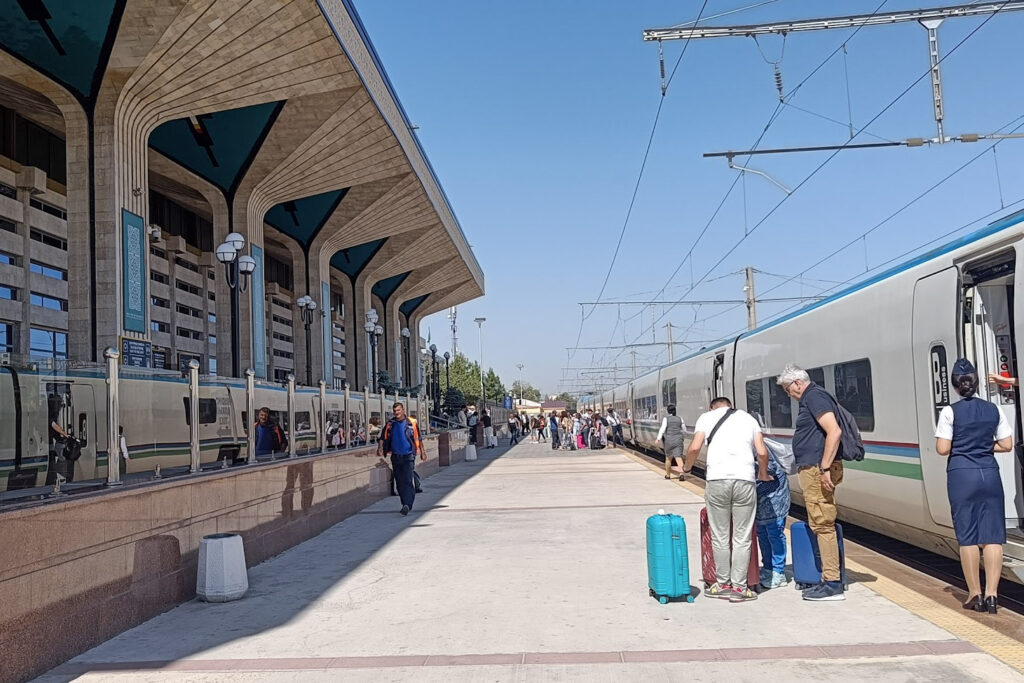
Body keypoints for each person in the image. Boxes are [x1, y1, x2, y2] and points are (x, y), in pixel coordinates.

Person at [936, 358, 1014, 614]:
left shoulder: (949, 412)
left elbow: (942, 449)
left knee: (968, 537)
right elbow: (1006, 444)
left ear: (956, 386)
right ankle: (993, 594)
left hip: (962, 476)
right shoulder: (994, 409)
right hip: (990, 475)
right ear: (977, 383)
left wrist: (965, 446)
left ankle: (974, 594)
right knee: (992, 537)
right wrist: (983, 446)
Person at [683, 397, 771, 602]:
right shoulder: (749, 419)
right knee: (742, 537)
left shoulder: (706, 417)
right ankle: (739, 589)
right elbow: (761, 452)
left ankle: (722, 585)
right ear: (731, 405)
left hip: (717, 481)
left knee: (720, 536)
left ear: (712, 407)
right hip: (744, 481)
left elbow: (695, 448)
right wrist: (763, 473)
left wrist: (687, 468)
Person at [777, 364, 846, 602]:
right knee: (820, 522)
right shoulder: (812, 398)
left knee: (823, 524)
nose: (788, 394)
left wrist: (825, 466)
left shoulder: (814, 397)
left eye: (788, 389)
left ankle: (832, 583)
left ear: (797, 382)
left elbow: (833, 431)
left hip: (818, 469)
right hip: (815, 467)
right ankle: (830, 578)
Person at [378, 402, 427, 516]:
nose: (397, 413)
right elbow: (382, 437)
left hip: (409, 455)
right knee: (399, 482)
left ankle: (407, 504)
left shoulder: (411, 423)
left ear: (403, 410)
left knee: (407, 480)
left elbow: (418, 438)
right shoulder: (391, 424)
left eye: (398, 410)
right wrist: (380, 447)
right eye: (395, 411)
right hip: (395, 456)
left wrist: (422, 452)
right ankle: (404, 503)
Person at [756, 444, 791, 589]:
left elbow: (770, 468)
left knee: (775, 534)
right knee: (762, 534)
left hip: (775, 499)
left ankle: (779, 572)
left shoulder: (758, 447)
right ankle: (768, 568)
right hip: (760, 501)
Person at [657, 405, 686, 480]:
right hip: (678, 440)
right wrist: (682, 437)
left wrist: (658, 439)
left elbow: (662, 429)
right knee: (679, 457)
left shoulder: (666, 419)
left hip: (669, 441)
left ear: (668, 411)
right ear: (675, 410)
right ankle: (681, 474)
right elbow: (684, 430)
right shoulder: (680, 419)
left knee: (668, 458)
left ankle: (668, 475)